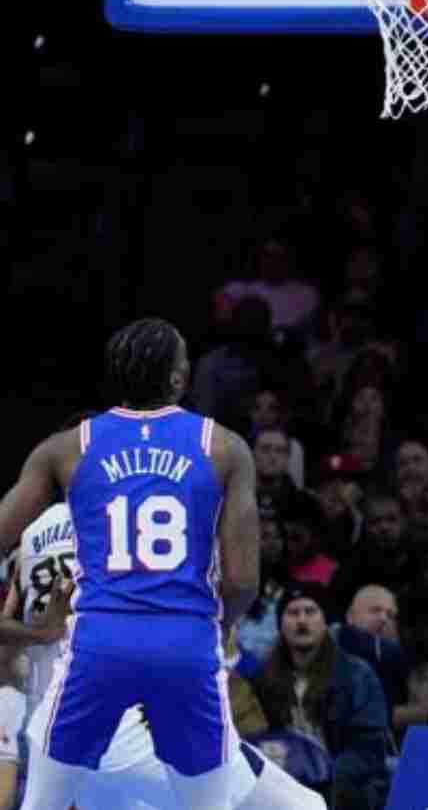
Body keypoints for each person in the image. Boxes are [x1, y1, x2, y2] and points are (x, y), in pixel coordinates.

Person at [0, 318, 261, 809]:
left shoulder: (68, 447)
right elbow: (244, 578)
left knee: (43, 804)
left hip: (99, 643)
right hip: (186, 642)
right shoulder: (223, 447)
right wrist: (221, 624)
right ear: (179, 379)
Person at [0, 501, 325, 810]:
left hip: (57, 737)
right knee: (304, 805)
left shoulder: (30, 537)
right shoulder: (134, 522)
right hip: (127, 729)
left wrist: (39, 636)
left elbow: (6, 655)